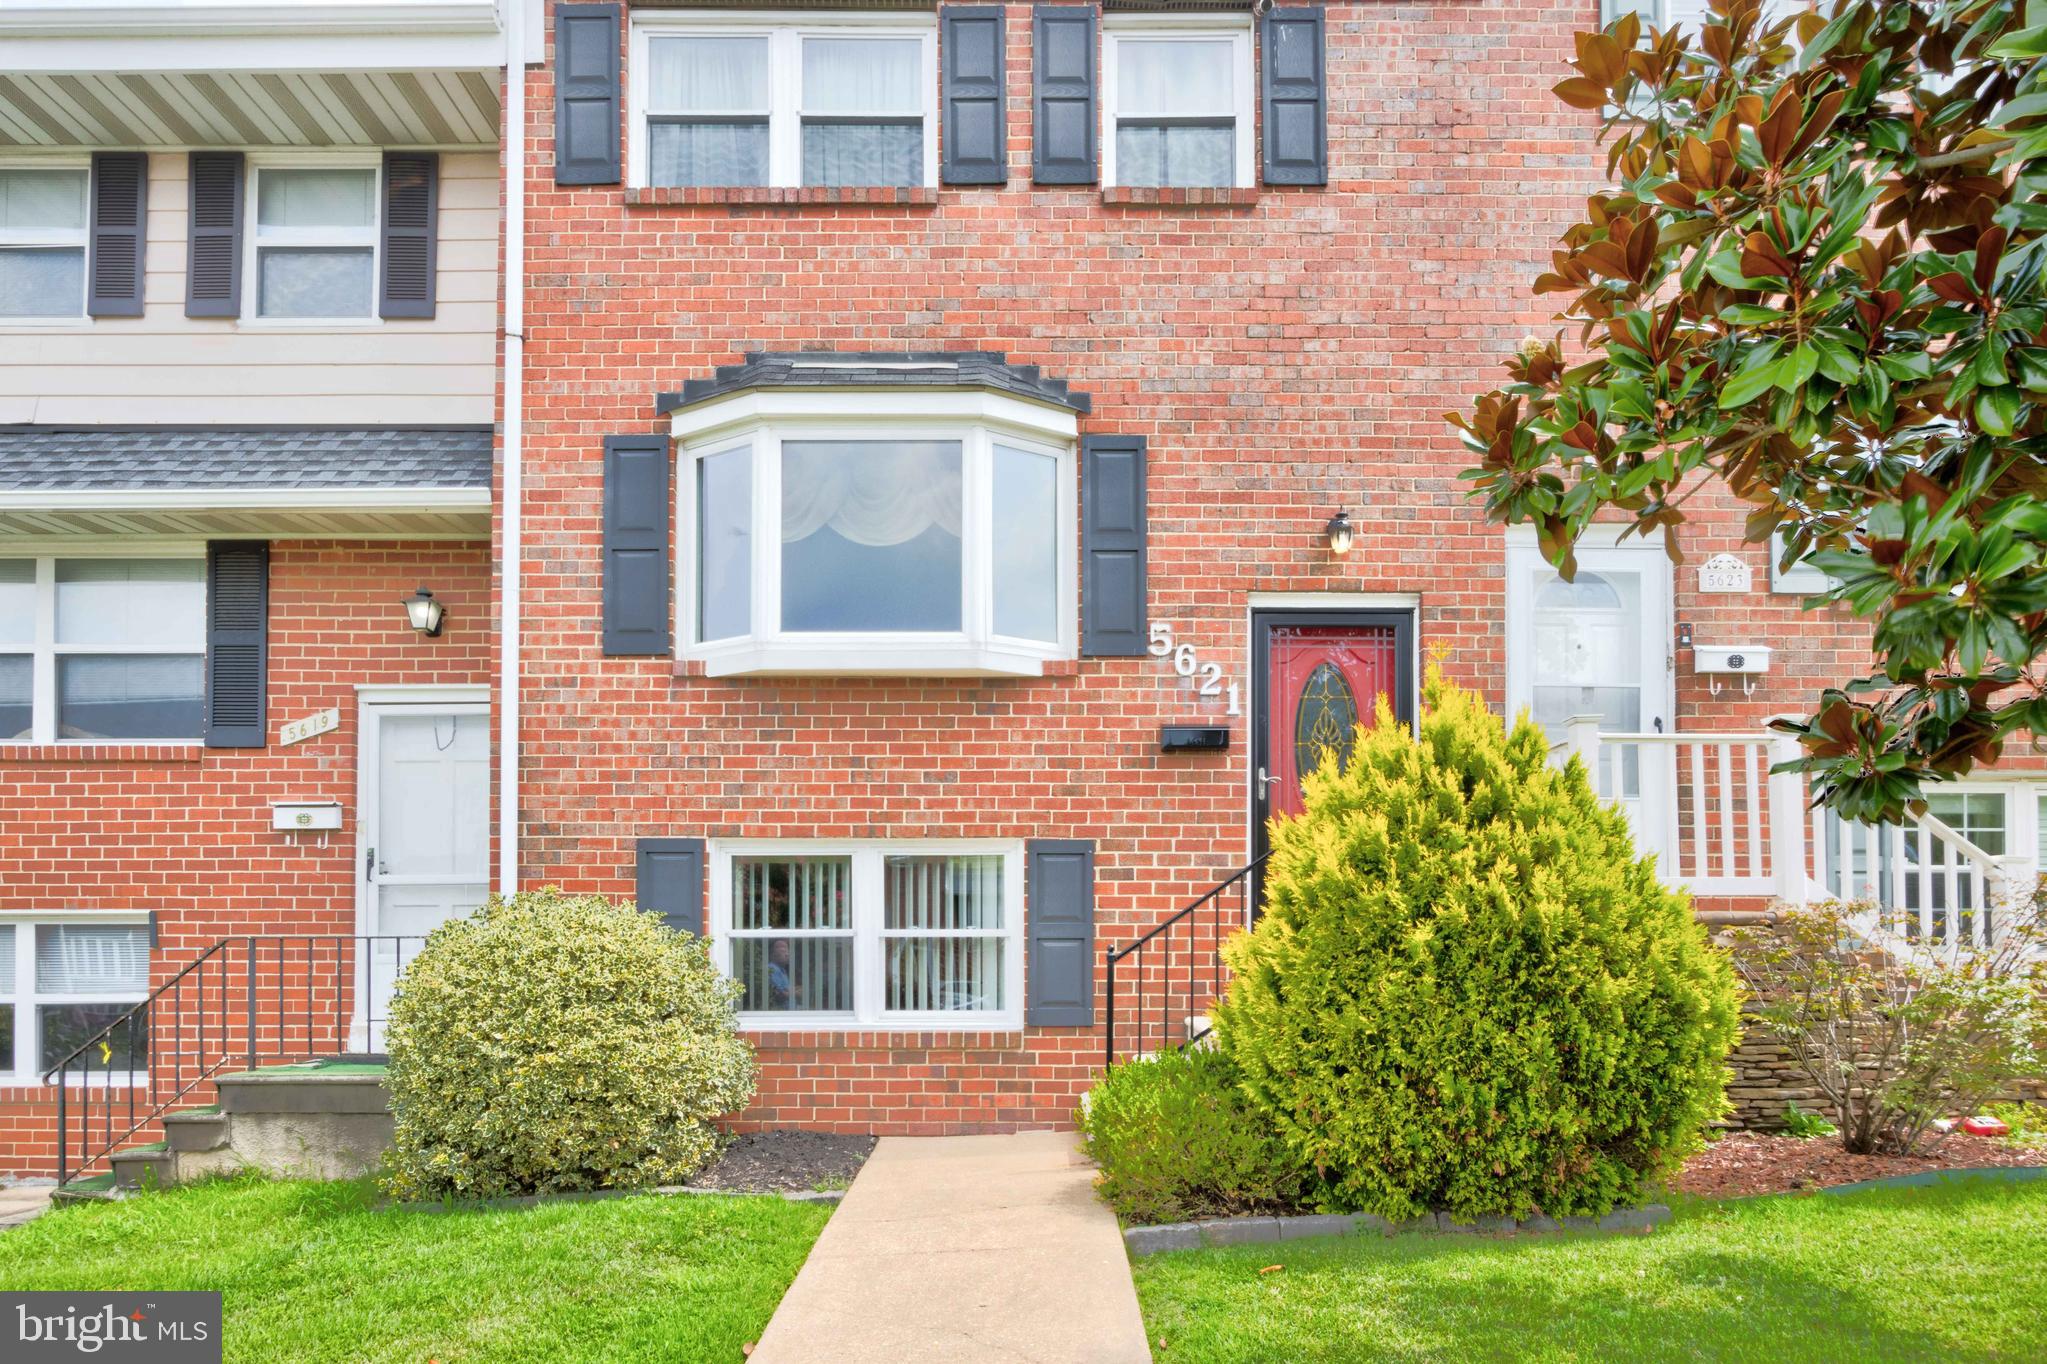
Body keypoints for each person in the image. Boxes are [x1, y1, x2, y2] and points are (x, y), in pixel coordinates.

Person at [766, 938, 794, 1010]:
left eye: (787, 951)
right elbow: (780, 994)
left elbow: (787, 989)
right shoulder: (772, 969)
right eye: (783, 951)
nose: (787, 954)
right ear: (773, 954)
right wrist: (798, 993)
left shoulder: (782, 969)